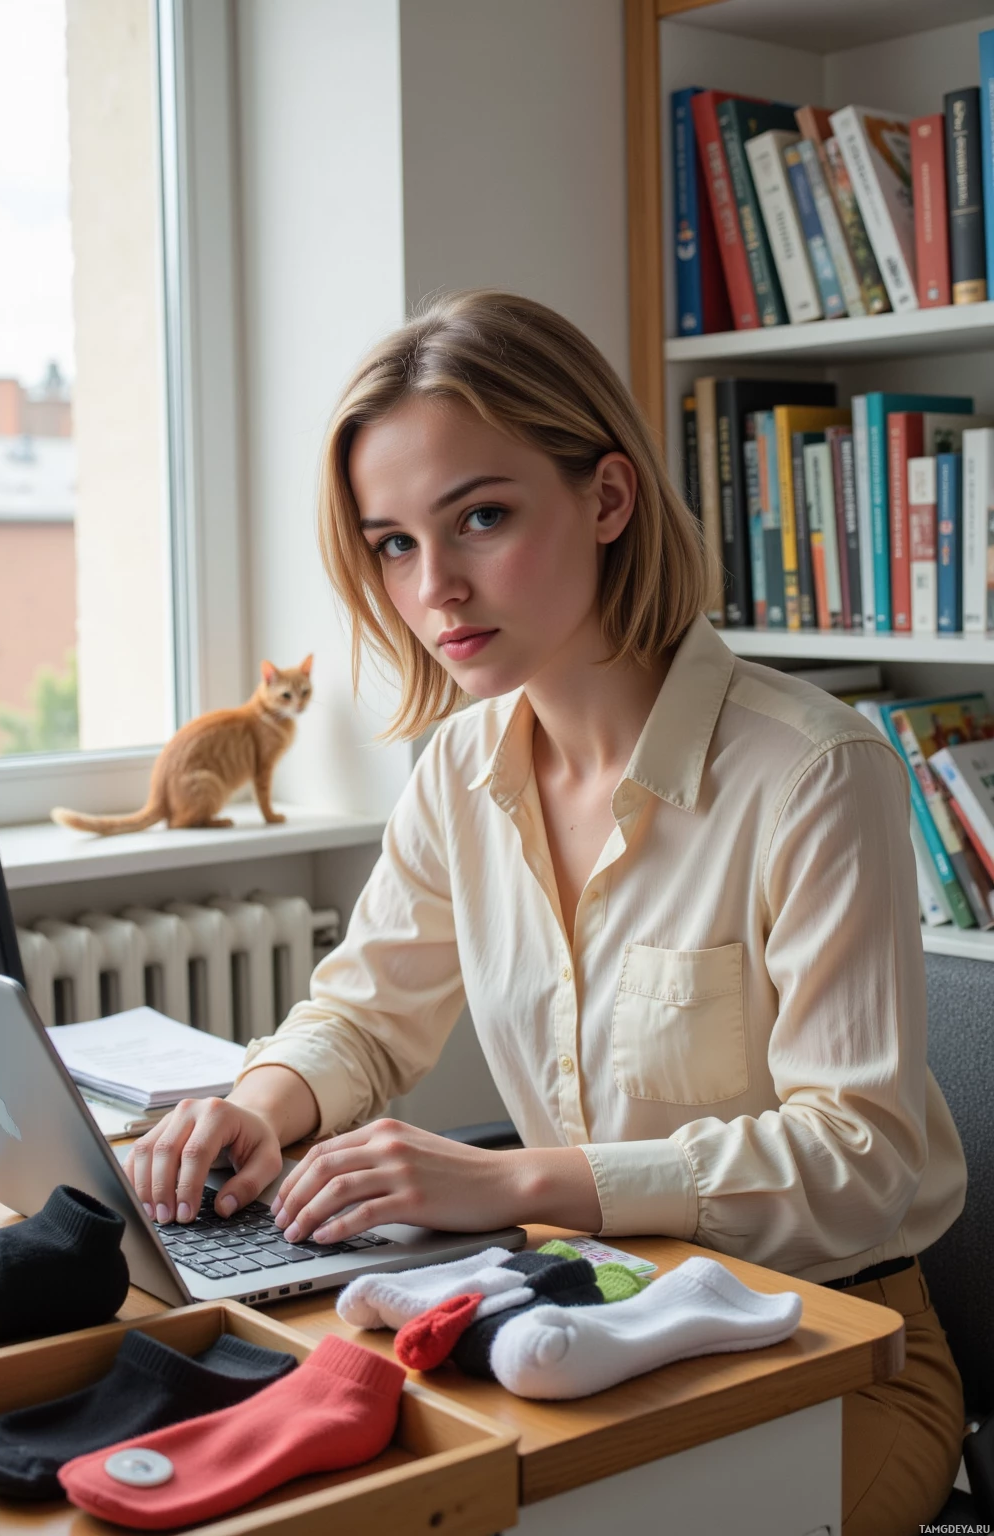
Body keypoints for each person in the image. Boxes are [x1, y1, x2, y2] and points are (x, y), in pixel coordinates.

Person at [127, 290, 967, 1533]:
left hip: (835, 1357)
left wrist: (515, 1179)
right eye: (394, 544)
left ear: (608, 500)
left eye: (481, 516)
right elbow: (361, 1015)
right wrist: (259, 1107)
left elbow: (862, 1158)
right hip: (582, 1327)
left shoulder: (811, 772)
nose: (436, 588)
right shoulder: (458, 771)